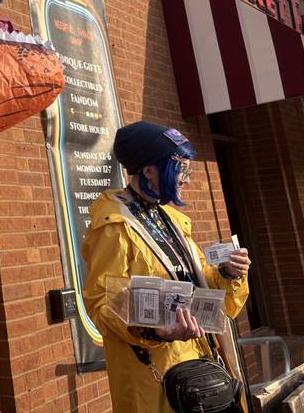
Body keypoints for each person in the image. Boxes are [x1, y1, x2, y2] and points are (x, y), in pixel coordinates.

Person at [82, 121, 251, 412]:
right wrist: (156, 331)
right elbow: (103, 305)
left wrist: (227, 274)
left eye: (188, 169)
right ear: (149, 170)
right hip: (159, 383)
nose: (185, 178)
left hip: (205, 365)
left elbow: (205, 289)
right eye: (180, 168)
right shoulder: (113, 225)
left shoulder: (172, 220)